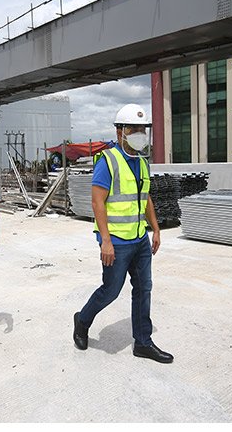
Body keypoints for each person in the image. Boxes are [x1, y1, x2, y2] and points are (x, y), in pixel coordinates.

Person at [71, 103, 172, 364]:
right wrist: (105, 240)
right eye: (133, 129)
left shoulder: (141, 162)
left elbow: (145, 197)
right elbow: (97, 202)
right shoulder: (108, 161)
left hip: (139, 239)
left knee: (143, 288)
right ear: (120, 132)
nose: (140, 133)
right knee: (111, 290)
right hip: (115, 241)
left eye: (142, 129)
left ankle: (143, 342)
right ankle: (82, 321)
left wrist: (156, 228)